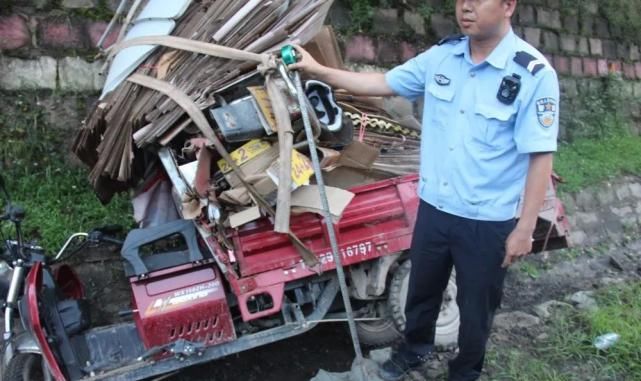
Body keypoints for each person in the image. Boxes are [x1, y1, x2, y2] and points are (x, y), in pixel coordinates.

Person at [290, 0, 559, 380]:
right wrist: (317, 70)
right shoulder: (442, 57)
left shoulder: (532, 74)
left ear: (508, 5)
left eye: (477, 0)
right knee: (421, 293)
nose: (465, 7)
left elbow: (539, 156)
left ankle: (465, 372)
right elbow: (382, 84)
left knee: (476, 307)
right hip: (434, 209)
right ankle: (413, 352)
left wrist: (525, 229)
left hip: (487, 220)